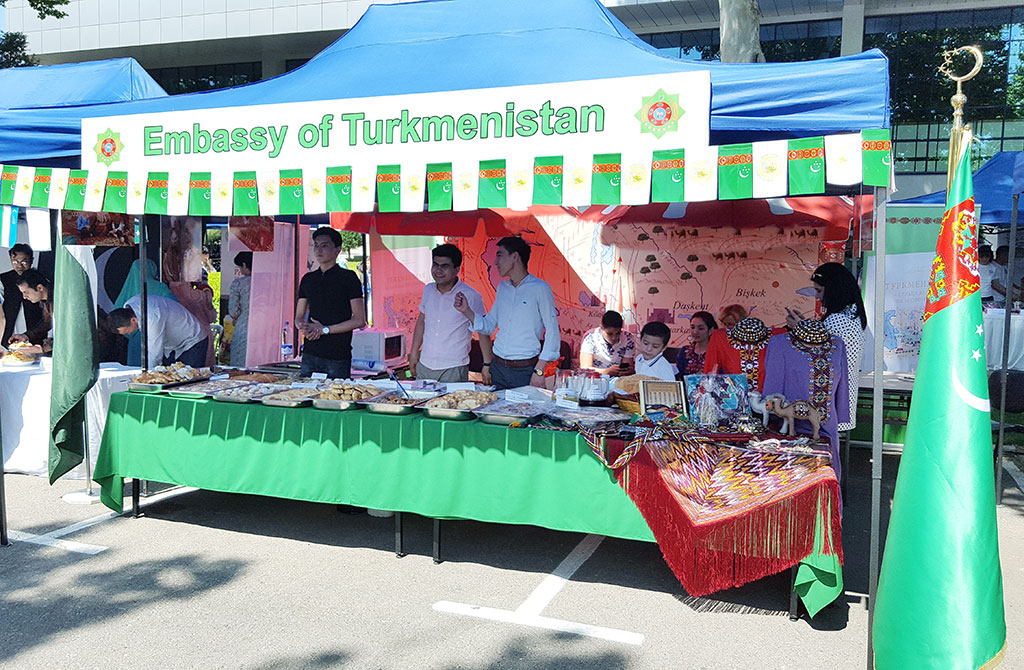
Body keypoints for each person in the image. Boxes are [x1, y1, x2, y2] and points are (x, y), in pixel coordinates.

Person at [454, 236, 559, 390]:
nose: (496, 262)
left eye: (499, 255)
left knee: (523, 413)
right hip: (498, 367)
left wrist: (539, 369)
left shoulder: (540, 288)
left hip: (524, 370)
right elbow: (489, 325)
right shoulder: (503, 288)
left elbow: (552, 331)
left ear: (515, 256)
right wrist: (467, 311)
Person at [785, 262, 867, 432]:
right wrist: (804, 327)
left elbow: (819, 353)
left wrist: (800, 329)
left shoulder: (838, 320)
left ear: (833, 289)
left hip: (830, 398)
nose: (817, 296)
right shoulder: (851, 314)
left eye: (819, 290)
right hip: (839, 396)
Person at [408, 244, 493, 383]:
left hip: (453, 367)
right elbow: (421, 322)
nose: (438, 270)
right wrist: (413, 352)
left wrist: (487, 364)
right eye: (435, 265)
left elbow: (483, 331)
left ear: (457, 269)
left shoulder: (470, 295)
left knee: (450, 404)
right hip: (425, 364)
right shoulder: (428, 290)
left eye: (445, 266)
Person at [295, 227, 366, 378]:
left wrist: (324, 330)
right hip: (310, 352)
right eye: (316, 245)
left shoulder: (348, 278)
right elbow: (299, 316)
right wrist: (303, 327)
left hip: (337, 354)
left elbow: (359, 320)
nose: (319, 250)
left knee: (336, 398)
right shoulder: (308, 279)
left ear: (337, 249)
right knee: (306, 394)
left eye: (325, 245)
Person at [109, 294, 207, 368]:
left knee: (189, 383)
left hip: (193, 340)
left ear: (133, 320)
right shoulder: (131, 306)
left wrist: (146, 376)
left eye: (127, 331)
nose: (129, 333)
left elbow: (154, 354)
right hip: (172, 345)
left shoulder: (151, 317)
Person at [0, 244, 42, 348]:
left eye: (24, 262)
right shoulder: (3, 279)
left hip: (35, 326)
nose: (19, 266)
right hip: (10, 326)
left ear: (31, 260)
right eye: (15, 262)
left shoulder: (39, 278)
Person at [8, 270, 53, 354]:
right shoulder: (43, 300)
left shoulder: (59, 299)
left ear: (40, 288)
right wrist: (26, 336)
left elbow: (68, 331)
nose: (24, 297)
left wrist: (43, 349)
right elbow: (46, 323)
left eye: (26, 292)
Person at [579, 310, 635, 376]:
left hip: (619, 379)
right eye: (610, 334)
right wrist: (606, 372)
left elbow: (627, 367)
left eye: (618, 333)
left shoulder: (628, 338)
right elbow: (585, 369)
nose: (614, 337)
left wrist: (624, 371)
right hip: (595, 379)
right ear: (601, 328)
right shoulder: (590, 337)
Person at [675, 311, 717, 379]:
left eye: (700, 328)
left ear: (710, 330)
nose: (695, 332)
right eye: (692, 327)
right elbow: (678, 376)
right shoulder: (685, 351)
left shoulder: (717, 353)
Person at [228, 251, 253, 367]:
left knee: (240, 364)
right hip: (265, 328)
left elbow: (233, 311)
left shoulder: (238, 284)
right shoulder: (266, 281)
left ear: (244, 265)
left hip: (244, 326)